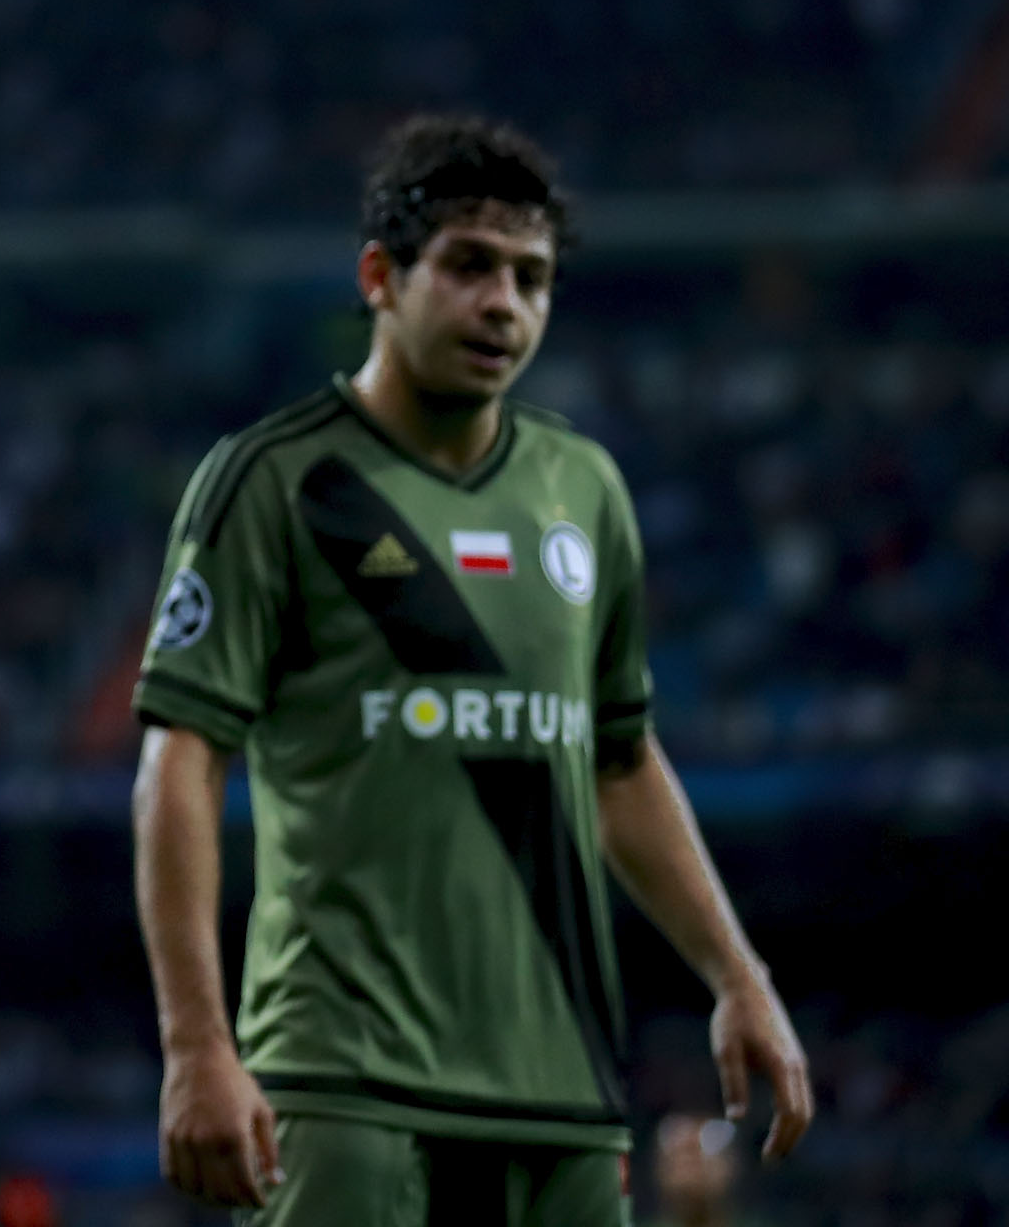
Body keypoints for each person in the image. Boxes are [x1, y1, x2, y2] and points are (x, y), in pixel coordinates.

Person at [130, 114, 814, 1226]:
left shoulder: (582, 488)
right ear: (379, 277)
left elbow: (622, 763)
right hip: (343, 1079)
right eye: (469, 266)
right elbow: (180, 761)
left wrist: (739, 975)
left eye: (531, 277)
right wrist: (197, 1041)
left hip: (565, 1091)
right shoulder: (272, 480)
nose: (505, 303)